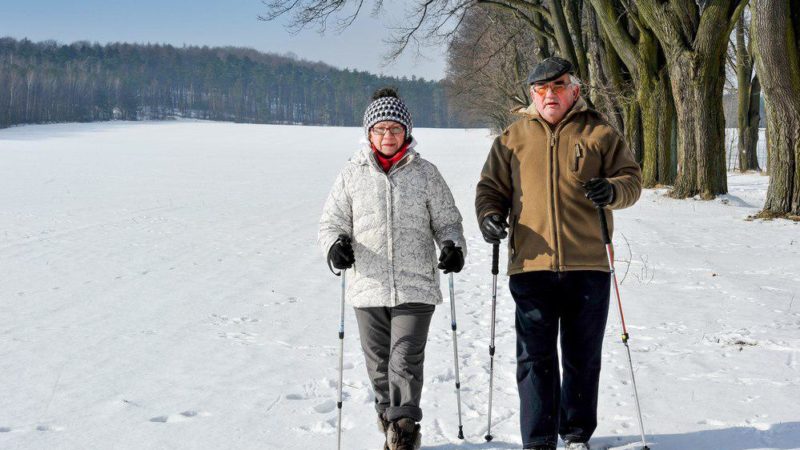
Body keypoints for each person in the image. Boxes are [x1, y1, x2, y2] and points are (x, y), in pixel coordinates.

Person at [475, 57, 642, 450]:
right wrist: (489, 216)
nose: (550, 95)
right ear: (532, 95)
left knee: (583, 357)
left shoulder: (600, 133)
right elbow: (490, 189)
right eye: (542, 89)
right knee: (534, 358)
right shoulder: (512, 138)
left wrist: (613, 190)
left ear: (575, 90)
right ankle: (538, 440)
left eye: (559, 86)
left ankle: (576, 434)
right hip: (531, 265)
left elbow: (631, 180)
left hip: (589, 264)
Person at [319, 87, 466, 450]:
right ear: (369, 133)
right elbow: (331, 223)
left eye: (395, 129)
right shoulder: (351, 174)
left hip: (416, 286)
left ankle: (403, 432)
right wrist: (335, 246)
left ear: (407, 132)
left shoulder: (426, 173)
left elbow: (448, 222)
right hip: (368, 285)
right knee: (379, 367)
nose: (388, 136)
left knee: (404, 360)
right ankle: (391, 423)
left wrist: (453, 247)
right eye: (381, 129)